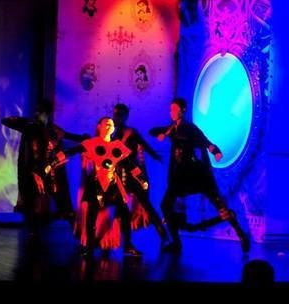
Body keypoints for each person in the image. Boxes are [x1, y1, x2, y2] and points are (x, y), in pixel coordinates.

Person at [150, 97, 250, 254]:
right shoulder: (172, 128)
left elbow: (204, 141)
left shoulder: (189, 128)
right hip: (179, 175)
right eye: (171, 109)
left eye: (175, 109)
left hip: (195, 173)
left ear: (183, 110)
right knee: (165, 205)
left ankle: (242, 236)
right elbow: (153, 131)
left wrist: (215, 151)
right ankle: (176, 242)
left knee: (218, 204)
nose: (172, 112)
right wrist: (162, 133)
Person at [2, 99, 87, 238]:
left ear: (47, 113)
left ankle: (76, 231)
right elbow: (6, 121)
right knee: (31, 202)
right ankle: (33, 233)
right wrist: (26, 121)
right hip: (33, 171)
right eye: (36, 111)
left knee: (62, 201)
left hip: (50, 170)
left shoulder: (55, 130)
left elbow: (70, 137)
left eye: (40, 112)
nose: (37, 114)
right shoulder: (29, 127)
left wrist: (84, 139)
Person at [79, 117, 141, 257]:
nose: (109, 126)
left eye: (111, 125)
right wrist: (52, 163)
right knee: (92, 215)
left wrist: (141, 178)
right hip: (96, 185)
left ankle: (128, 245)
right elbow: (73, 150)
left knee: (125, 213)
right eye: (106, 124)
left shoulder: (116, 145)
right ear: (99, 126)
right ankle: (89, 247)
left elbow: (129, 164)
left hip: (112, 185)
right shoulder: (92, 143)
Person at [112, 103, 170, 248]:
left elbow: (144, 144)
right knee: (122, 209)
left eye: (119, 114)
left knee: (146, 205)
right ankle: (125, 242)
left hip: (133, 174)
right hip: (120, 174)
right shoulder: (113, 134)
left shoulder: (130, 132)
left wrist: (155, 155)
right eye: (115, 114)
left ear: (125, 116)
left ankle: (164, 236)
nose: (116, 117)